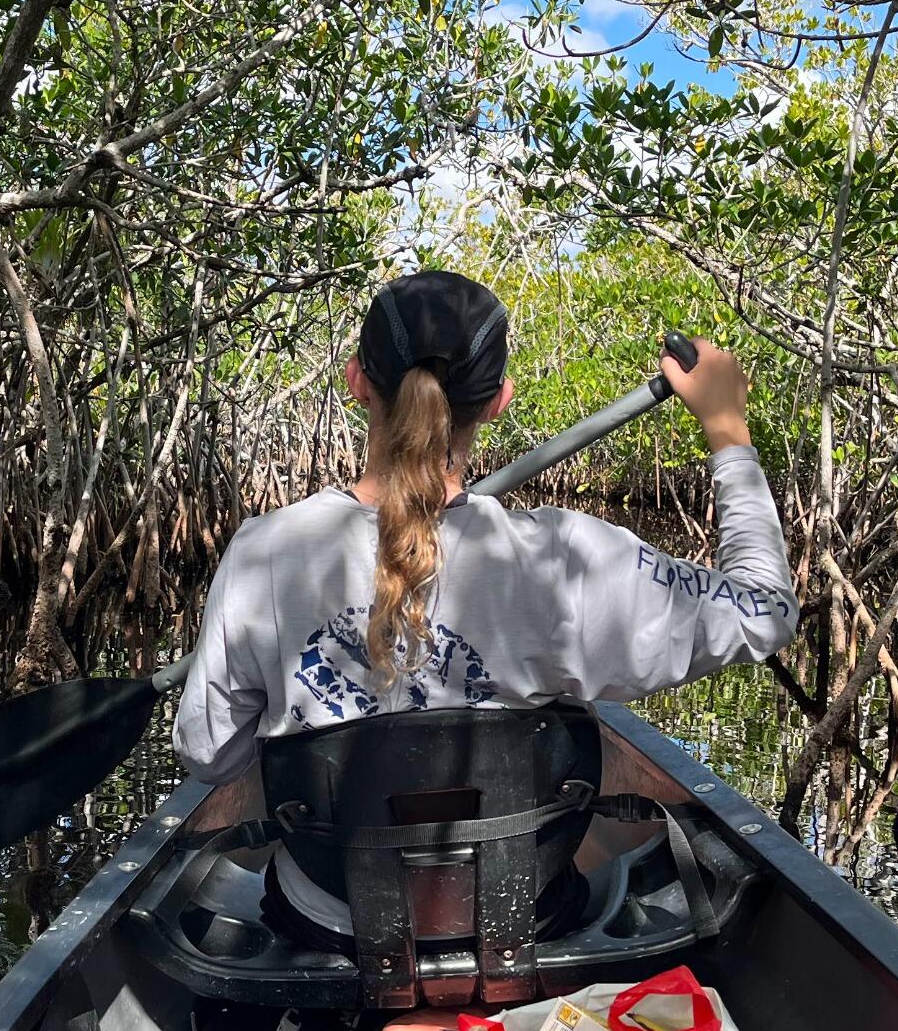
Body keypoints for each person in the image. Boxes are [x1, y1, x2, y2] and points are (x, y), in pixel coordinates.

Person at [173, 269, 799, 941]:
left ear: (357, 381)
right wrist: (728, 431)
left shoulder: (264, 553)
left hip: (325, 924)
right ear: (500, 399)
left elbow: (210, 755)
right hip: (530, 921)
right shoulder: (565, 557)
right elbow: (764, 611)